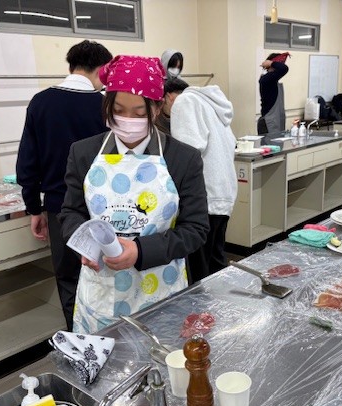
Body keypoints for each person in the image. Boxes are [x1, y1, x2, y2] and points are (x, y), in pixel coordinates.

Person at [58, 55, 209, 334]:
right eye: (118, 110)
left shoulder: (182, 158)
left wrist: (140, 250)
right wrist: (85, 243)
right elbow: (71, 211)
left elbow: (196, 229)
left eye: (139, 113)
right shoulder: (83, 153)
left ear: (157, 107)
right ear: (107, 106)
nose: (128, 120)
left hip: (160, 289)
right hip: (101, 292)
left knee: (158, 356)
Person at [16, 40, 112, 330]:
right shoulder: (105, 105)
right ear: (102, 69)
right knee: (107, 275)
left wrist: (34, 208)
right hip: (104, 209)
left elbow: (27, 162)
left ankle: (79, 340)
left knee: (69, 278)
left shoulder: (41, 102)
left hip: (60, 209)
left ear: (71, 66)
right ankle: (114, 338)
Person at [163, 78, 237, 282]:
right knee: (216, 263)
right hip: (224, 192)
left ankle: (203, 304)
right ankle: (221, 303)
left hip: (203, 196)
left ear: (168, 96)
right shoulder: (211, 104)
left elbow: (187, 153)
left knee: (199, 270)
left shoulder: (184, 102)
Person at [257, 52, 290, 134]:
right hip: (268, 123)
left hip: (275, 121)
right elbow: (284, 69)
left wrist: (271, 63)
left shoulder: (273, 80)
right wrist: (270, 63)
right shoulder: (266, 79)